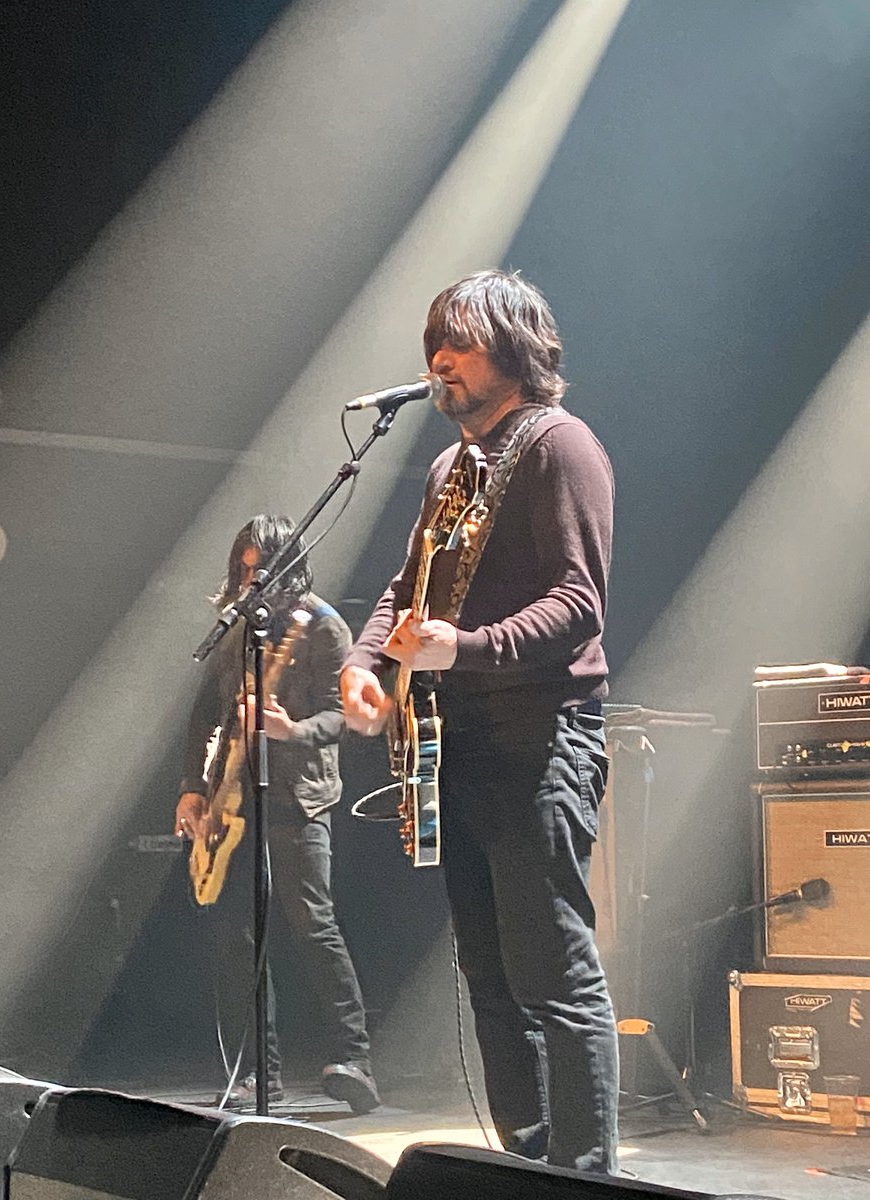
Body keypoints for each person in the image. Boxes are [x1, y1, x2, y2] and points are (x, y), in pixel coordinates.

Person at [340, 270, 619, 1171]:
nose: (440, 361)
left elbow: (579, 604)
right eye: (434, 345)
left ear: (513, 348)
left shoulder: (560, 447)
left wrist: (464, 647)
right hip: (455, 749)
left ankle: (585, 1177)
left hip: (540, 742)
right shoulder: (451, 468)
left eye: (458, 342)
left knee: (554, 976)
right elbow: (405, 590)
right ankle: (528, 1167)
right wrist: (365, 663)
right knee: (490, 979)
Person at [176, 514, 379, 1115]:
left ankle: (356, 1061)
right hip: (230, 796)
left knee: (312, 924)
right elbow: (203, 714)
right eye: (242, 569)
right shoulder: (236, 628)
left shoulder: (324, 626)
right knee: (234, 935)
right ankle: (256, 1072)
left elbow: (345, 715)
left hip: (299, 795)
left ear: (286, 566)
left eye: (259, 568)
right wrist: (192, 786)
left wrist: (292, 730)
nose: (249, 580)